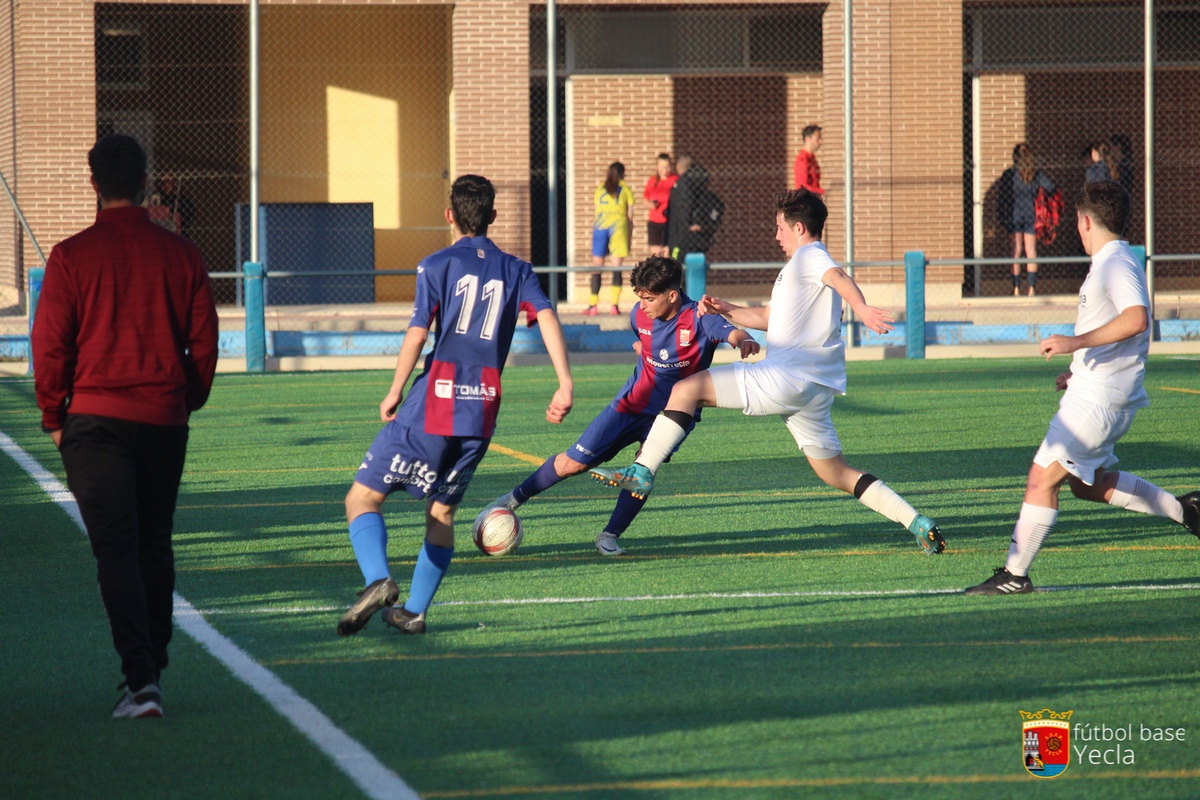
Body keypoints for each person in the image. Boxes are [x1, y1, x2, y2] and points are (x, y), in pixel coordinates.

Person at [592, 188, 946, 556]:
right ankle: (917, 521)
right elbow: (768, 318)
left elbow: (839, 276)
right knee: (836, 472)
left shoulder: (810, 256)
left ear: (798, 227)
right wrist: (725, 308)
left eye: (779, 228)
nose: (776, 236)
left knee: (686, 388)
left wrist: (863, 307)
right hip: (814, 389)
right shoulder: (799, 270)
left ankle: (642, 471)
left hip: (786, 377)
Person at [31, 134, 219, 718]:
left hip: (95, 418)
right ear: (145, 181)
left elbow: (50, 344)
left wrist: (53, 416)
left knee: (116, 549)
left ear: (93, 184)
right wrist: (186, 398)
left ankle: (141, 682)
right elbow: (205, 342)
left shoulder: (70, 255)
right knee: (153, 543)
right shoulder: (181, 253)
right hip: (162, 417)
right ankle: (150, 671)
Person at [337, 175, 574, 636]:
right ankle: (415, 611)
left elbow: (418, 333)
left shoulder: (435, 264)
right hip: (482, 409)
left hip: (435, 400)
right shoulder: (518, 270)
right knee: (442, 512)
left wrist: (395, 389)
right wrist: (564, 383)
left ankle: (377, 580)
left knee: (362, 497)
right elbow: (546, 315)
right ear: (493, 216)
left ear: (450, 215)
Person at [965, 180, 1200, 595]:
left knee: (1041, 479)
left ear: (1085, 222)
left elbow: (1136, 319)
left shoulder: (1115, 262)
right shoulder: (1114, 260)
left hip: (1099, 400)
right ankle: (1187, 510)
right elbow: (1119, 328)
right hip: (1097, 392)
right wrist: (1078, 368)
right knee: (1086, 484)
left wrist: (1075, 344)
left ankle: (1015, 576)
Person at [482, 255, 759, 556]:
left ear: (672, 295)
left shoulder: (700, 318)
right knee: (572, 463)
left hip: (672, 415)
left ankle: (610, 535)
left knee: (643, 469)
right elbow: (646, 340)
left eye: (650, 299)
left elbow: (732, 332)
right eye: (639, 298)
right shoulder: (638, 316)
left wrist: (743, 340)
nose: (643, 306)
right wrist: (644, 349)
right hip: (629, 406)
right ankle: (511, 500)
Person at [999, 143, 1055, 296]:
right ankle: (1031, 288)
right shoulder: (1034, 174)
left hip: (1014, 215)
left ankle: (1016, 288)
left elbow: (1002, 197)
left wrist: (1001, 216)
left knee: (1016, 250)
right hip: (1031, 215)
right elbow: (1051, 187)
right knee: (1031, 250)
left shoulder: (1009, 174)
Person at [588, 162, 635, 316]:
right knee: (616, 267)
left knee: (597, 267)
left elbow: (596, 210)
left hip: (600, 226)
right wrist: (629, 235)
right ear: (623, 174)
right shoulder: (626, 189)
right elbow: (630, 216)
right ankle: (614, 305)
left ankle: (593, 305)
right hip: (618, 227)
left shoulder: (600, 188)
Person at [665, 155, 722, 279]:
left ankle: (681, 296)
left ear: (679, 166)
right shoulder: (699, 186)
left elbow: (682, 210)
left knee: (676, 270)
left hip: (680, 238)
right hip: (696, 238)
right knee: (693, 272)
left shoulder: (681, 186)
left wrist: (686, 225)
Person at [643, 153, 677, 257]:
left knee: (667, 254)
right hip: (655, 221)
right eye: (662, 167)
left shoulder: (675, 180)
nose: (665, 169)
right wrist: (650, 204)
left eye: (667, 166)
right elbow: (645, 198)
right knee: (656, 255)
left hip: (669, 221)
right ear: (657, 167)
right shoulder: (653, 181)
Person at [793, 125, 824, 196]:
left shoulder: (812, 158)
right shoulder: (803, 159)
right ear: (807, 139)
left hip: (813, 199)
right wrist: (823, 191)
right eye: (817, 138)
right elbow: (802, 186)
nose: (820, 142)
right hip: (807, 201)